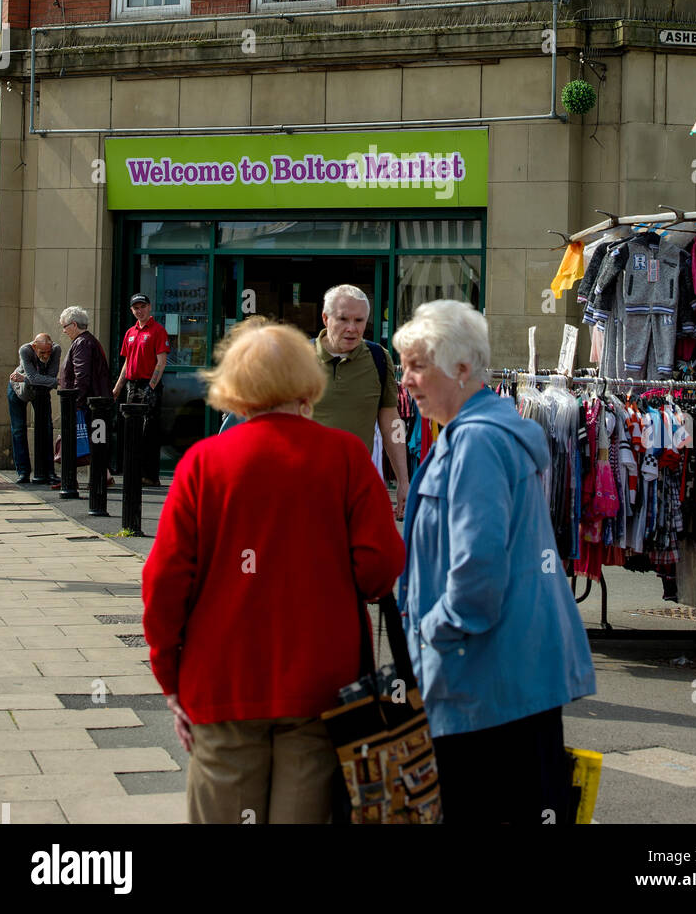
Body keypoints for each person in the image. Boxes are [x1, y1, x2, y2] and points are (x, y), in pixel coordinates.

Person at [142, 318, 405, 825]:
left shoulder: (203, 462)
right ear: (307, 380)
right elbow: (380, 566)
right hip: (321, 683)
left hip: (221, 682)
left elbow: (164, 582)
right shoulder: (346, 456)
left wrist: (170, 679)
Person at [393, 299, 596, 826]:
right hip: (503, 676)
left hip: (486, 681)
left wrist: (430, 632)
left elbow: (477, 573)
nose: (406, 379)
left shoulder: (477, 441)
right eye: (403, 365)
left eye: (418, 365)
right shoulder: (478, 431)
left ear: (462, 369)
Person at [312, 284, 409, 519]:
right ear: (325, 318)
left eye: (359, 320)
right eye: (343, 319)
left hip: (356, 488)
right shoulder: (297, 358)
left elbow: (391, 421)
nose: (352, 328)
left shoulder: (378, 358)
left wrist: (404, 480)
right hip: (305, 487)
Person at [113, 293, 170, 486]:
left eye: (142, 306)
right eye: (136, 308)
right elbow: (127, 362)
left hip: (149, 385)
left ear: (149, 307)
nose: (139, 311)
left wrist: (151, 388)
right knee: (132, 431)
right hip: (132, 385)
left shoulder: (158, 331)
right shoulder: (130, 333)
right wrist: (118, 387)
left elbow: (161, 362)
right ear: (131, 310)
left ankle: (150, 476)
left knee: (149, 432)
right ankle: (134, 472)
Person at [58, 307, 114, 485]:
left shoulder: (82, 343)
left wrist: (75, 403)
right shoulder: (89, 341)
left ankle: (73, 481)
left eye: (65, 326)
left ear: (74, 324)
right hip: (94, 401)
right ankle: (103, 476)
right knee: (93, 441)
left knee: (87, 439)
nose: (64, 330)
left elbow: (82, 376)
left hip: (88, 404)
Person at [8, 333, 61, 485]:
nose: (46, 355)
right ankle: (23, 472)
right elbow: (38, 378)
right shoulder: (25, 350)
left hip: (39, 391)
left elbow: (49, 376)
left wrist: (26, 378)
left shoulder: (56, 349)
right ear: (34, 347)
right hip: (18, 390)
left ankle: (49, 471)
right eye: (42, 352)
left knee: (47, 427)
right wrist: (53, 381)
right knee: (18, 429)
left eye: (48, 352)